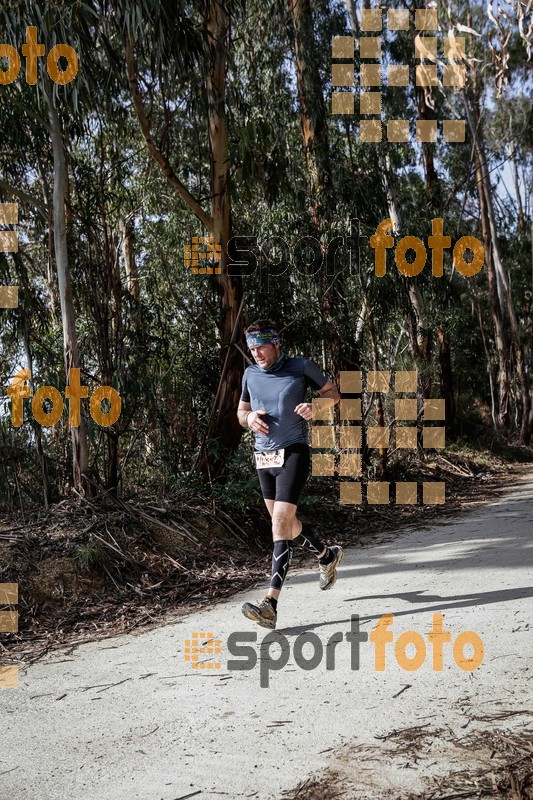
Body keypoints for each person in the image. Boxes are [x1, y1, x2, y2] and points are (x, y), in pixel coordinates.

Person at [237, 319, 343, 629]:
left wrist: (316, 406)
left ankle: (270, 604)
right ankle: (326, 555)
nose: (257, 354)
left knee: (280, 523)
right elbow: (240, 412)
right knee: (286, 524)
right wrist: (250, 418)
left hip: (294, 452)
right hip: (263, 456)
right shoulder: (250, 374)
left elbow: (333, 394)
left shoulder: (301, 367)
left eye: (261, 347)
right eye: (252, 349)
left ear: (276, 344)